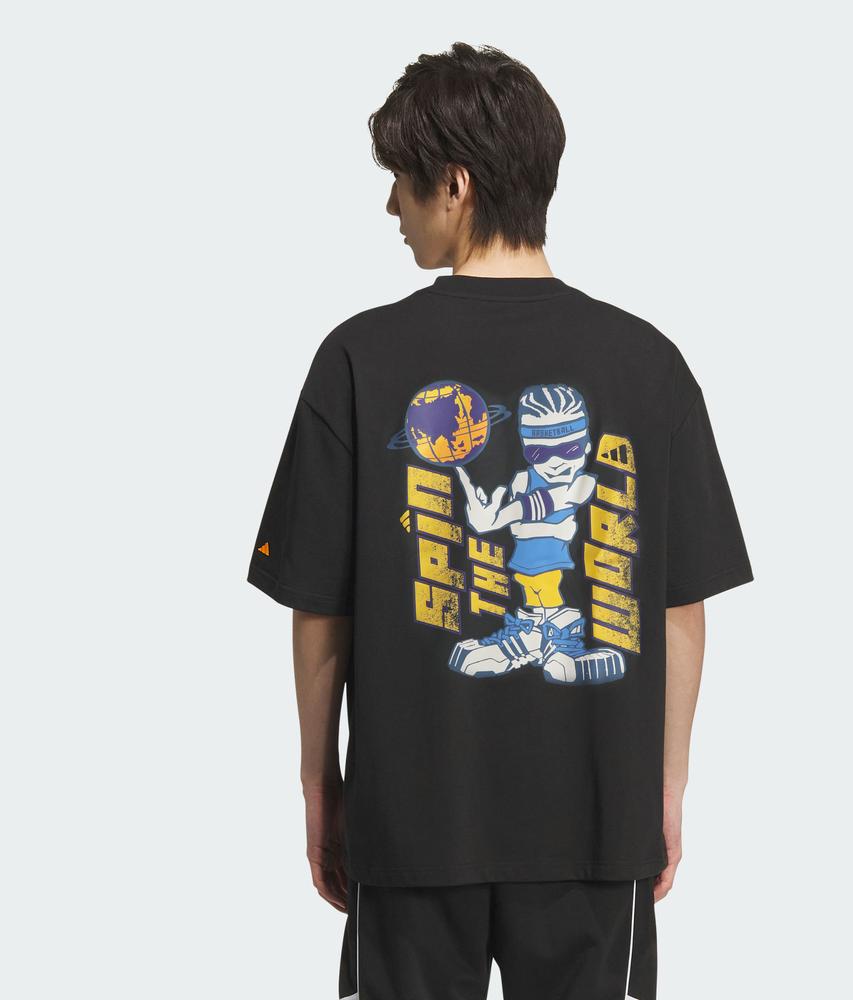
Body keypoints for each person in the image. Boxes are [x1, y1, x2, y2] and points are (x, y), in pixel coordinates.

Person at [247, 41, 753, 1000]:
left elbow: (322, 614)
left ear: (456, 184)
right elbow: (678, 607)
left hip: (411, 824)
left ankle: (541, 634)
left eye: (400, 180)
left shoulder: (358, 359)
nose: (390, 207)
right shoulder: (647, 364)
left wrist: (320, 784)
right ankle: (539, 636)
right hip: (595, 820)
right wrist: (666, 786)